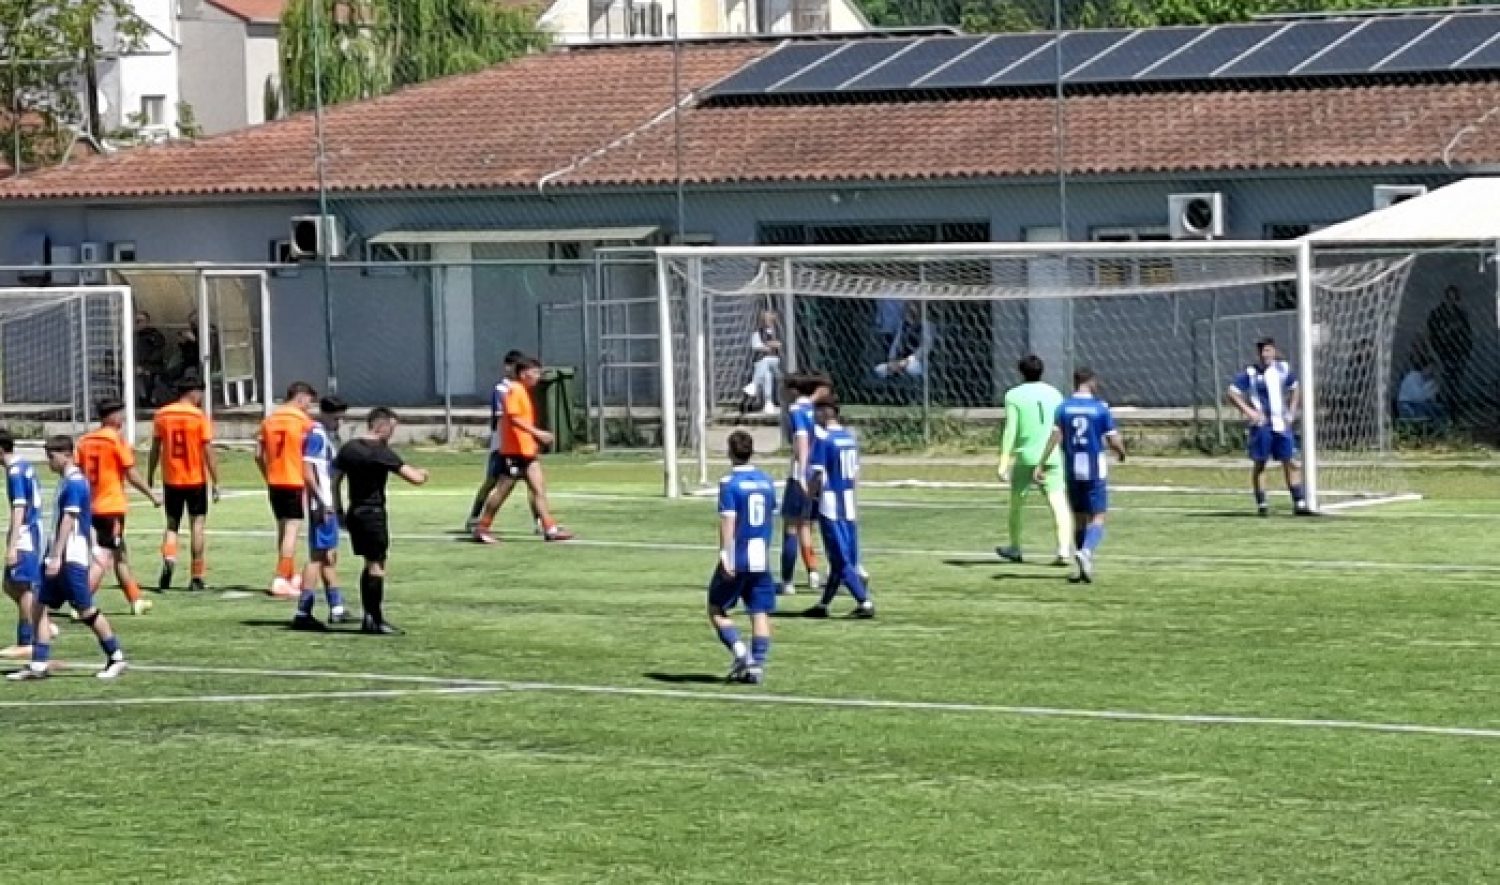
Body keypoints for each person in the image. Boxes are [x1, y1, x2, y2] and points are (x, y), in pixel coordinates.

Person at [7, 435, 128, 681]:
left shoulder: (74, 483)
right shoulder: (68, 482)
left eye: (51, 457)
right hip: (60, 555)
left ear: (65, 455)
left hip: (69, 557)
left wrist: (55, 556)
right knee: (38, 605)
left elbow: (69, 520)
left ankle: (116, 657)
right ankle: (38, 664)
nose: (49, 462)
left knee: (85, 610)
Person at [332, 407, 429, 635]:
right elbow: (415, 478)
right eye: (391, 429)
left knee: (369, 563)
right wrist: (424, 473)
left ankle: (369, 616)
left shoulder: (349, 448)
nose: (392, 435)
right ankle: (374, 619)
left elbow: (334, 481)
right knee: (377, 565)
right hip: (373, 513)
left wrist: (338, 510)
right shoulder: (381, 452)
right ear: (381, 426)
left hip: (354, 510)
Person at [1036, 368, 1126, 584]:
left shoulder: (1063, 408)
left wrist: (1041, 462)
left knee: (1078, 519)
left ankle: (1082, 567)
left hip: (1072, 469)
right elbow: (1113, 439)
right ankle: (1086, 551)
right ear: (1091, 382)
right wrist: (1121, 452)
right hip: (1094, 469)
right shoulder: (1100, 408)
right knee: (1098, 516)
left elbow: (1055, 436)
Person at [472, 357, 574, 544]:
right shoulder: (515, 390)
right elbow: (513, 418)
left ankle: (550, 528)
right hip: (514, 452)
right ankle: (482, 527)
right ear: (524, 374)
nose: (538, 376)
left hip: (527, 451)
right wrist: (538, 433)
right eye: (535, 372)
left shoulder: (524, 391)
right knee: (502, 491)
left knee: (539, 489)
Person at [78, 398, 161, 615]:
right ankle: (82, 603)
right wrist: (152, 494)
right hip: (110, 507)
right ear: (112, 416)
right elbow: (131, 473)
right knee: (105, 557)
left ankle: (135, 599)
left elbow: (77, 471)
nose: (123, 419)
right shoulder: (115, 440)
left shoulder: (85, 440)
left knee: (119, 554)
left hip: (91, 506)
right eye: (121, 414)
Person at [708, 430, 778, 684]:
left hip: (738, 554)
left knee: (716, 608)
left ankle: (741, 654)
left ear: (730, 451)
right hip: (761, 555)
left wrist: (725, 554)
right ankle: (757, 665)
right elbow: (770, 514)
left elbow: (728, 520)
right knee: (759, 612)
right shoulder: (766, 481)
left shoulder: (729, 483)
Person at [995, 354, 1073, 566]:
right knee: (1058, 503)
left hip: (1026, 457)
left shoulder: (1014, 395)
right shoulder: (1054, 393)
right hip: (1052, 454)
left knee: (1017, 504)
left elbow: (1011, 430)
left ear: (1021, 372)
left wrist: (1003, 462)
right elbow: (1060, 427)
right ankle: (1063, 549)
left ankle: (1015, 547)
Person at [803, 400, 875, 619]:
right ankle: (823, 604)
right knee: (840, 559)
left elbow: (817, 475)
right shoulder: (849, 438)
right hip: (848, 504)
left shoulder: (824, 439)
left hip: (831, 505)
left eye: (817, 412)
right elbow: (855, 475)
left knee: (840, 559)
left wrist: (808, 498)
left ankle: (864, 601)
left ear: (826, 412)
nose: (815, 416)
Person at [148, 375, 219, 592]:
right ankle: (197, 576)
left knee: (172, 524)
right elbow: (208, 451)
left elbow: (155, 448)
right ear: (194, 392)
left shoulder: (162, 415)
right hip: (195, 479)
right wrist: (216, 480)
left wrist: (150, 473)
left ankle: (169, 556)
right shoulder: (198, 417)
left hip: (171, 479)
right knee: (197, 525)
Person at [1226, 338, 1308, 516]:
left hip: (1282, 424)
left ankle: (1299, 501)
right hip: (1262, 425)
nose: (1265, 355)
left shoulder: (1282, 368)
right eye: (1262, 351)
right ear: (1258, 353)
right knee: (1261, 463)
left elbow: (1295, 387)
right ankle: (1262, 503)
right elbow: (1232, 393)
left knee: (1290, 461)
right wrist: (1250, 412)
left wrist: (1292, 411)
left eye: (1268, 350)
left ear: (1274, 351)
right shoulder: (1251, 373)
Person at [293, 396, 352, 631]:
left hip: (326, 502)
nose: (339, 423)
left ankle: (337, 608)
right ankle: (303, 611)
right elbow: (307, 470)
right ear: (326, 414)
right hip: (322, 503)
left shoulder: (325, 435)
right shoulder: (317, 435)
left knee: (328, 556)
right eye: (337, 418)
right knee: (317, 557)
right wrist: (321, 501)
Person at [466, 350, 540, 534]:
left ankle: (541, 522)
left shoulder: (521, 388)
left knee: (534, 484)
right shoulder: (503, 389)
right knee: (493, 482)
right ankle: (476, 518)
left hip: (522, 446)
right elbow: (505, 419)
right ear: (508, 367)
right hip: (503, 446)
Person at [257, 381, 317, 595]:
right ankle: (281, 577)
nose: (309, 406)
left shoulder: (270, 419)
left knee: (282, 529)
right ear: (300, 397)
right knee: (292, 530)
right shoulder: (304, 422)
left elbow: (258, 455)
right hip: (293, 480)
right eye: (309, 401)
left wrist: (268, 474)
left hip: (275, 481)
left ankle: (289, 574)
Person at [1, 429, 55, 659]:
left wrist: (12, 545)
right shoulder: (24, 464)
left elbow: (19, 509)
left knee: (23, 587)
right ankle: (43, 624)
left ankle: (27, 641)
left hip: (25, 534)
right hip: (31, 530)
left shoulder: (15, 472)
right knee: (9, 584)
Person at [778, 372, 830, 596]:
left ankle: (787, 581)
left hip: (802, 474)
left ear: (792, 391)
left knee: (790, 526)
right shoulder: (813, 408)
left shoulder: (796, 410)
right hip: (818, 473)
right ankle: (813, 574)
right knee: (806, 525)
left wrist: (801, 472)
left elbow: (802, 439)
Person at [1426, 286, 1471, 411]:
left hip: (1458, 353)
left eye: (1454, 298)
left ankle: (1453, 408)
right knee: (1443, 382)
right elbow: (1431, 334)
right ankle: (1442, 408)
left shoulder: (1461, 314)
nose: (1452, 301)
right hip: (1442, 353)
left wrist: (1466, 351)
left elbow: (1467, 333)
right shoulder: (1437, 314)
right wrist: (1434, 352)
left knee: (1456, 381)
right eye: (1449, 298)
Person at [874, 301, 934, 380]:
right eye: (908, 311)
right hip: (901, 360)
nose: (910, 313)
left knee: (911, 368)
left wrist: (908, 360)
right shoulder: (903, 324)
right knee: (879, 369)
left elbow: (926, 346)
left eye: (913, 311)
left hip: (917, 360)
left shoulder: (926, 324)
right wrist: (892, 359)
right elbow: (896, 343)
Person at [742, 310, 781, 415]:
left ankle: (754, 384)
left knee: (764, 364)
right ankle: (768, 403)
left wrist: (767, 344)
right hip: (764, 360)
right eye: (764, 319)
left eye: (769, 318)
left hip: (777, 361)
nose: (766, 321)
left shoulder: (779, 331)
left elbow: (780, 344)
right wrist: (770, 345)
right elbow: (756, 346)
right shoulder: (757, 332)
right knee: (767, 375)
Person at [1397, 353, 1445, 425]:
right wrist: (1430, 385)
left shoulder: (1425, 380)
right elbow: (1418, 397)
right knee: (1434, 410)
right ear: (1424, 368)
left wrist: (1434, 388)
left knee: (1439, 408)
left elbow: (1430, 399)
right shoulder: (1413, 376)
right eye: (1431, 369)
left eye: (1433, 369)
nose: (1432, 372)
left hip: (1418, 405)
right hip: (1408, 406)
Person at [134, 311, 169, 407]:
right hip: (136, 369)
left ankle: (146, 400)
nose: (137, 323)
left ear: (147, 322)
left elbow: (157, 355)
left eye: (140, 321)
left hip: (152, 369)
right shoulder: (129, 337)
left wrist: (144, 368)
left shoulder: (155, 336)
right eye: (136, 321)